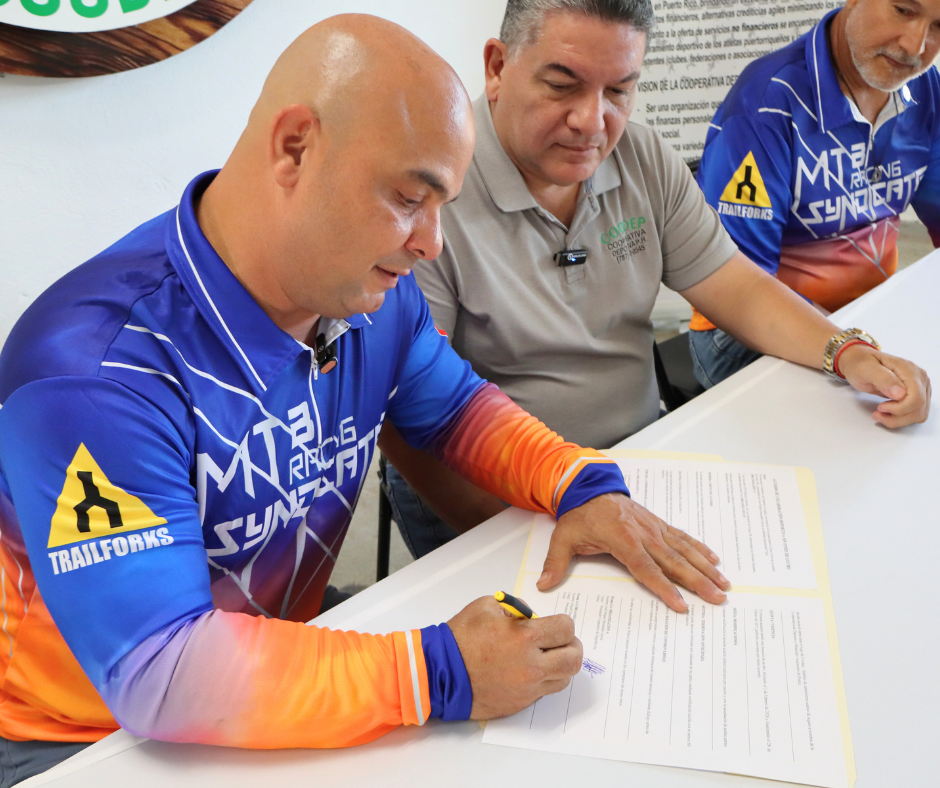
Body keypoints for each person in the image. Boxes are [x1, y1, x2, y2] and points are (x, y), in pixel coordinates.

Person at [0, 13, 738, 786]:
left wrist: (576, 482)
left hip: (282, 644)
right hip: (87, 738)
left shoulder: (366, 294)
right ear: (295, 148)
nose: (432, 243)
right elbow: (160, 669)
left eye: (444, 205)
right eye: (410, 197)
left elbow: (456, 411)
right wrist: (434, 673)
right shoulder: (93, 371)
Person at [380, 0, 932, 559]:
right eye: (562, 86)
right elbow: (410, 417)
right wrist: (528, 537)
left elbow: (737, 286)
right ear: (497, 67)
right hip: (497, 490)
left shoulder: (642, 158)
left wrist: (845, 351)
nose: (591, 121)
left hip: (635, 459)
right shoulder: (428, 199)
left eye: (619, 91)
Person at [692, 0, 940, 387]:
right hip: (748, 328)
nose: (915, 45)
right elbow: (740, 294)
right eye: (903, 10)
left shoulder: (924, 87)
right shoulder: (765, 104)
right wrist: (850, 351)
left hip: (867, 314)